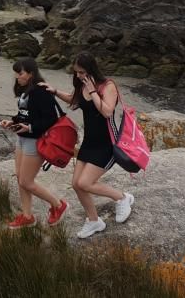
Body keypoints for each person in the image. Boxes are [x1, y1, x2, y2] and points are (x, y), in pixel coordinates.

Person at [41, 52, 134, 239]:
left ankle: (122, 198)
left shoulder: (107, 86)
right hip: (89, 143)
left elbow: (107, 112)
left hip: (107, 144)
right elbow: (75, 101)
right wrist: (55, 91)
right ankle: (94, 221)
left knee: (85, 182)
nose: (78, 76)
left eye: (82, 72)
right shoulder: (82, 85)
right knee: (76, 184)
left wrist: (93, 90)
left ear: (91, 69)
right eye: (76, 72)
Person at [0, 58, 69, 228]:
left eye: (20, 73)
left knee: (26, 181)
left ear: (31, 73)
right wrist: (13, 121)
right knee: (19, 177)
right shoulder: (25, 90)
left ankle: (58, 205)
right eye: (16, 74)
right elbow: (25, 113)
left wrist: (30, 128)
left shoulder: (40, 90)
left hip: (35, 140)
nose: (17, 77)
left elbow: (50, 119)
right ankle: (27, 215)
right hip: (22, 138)